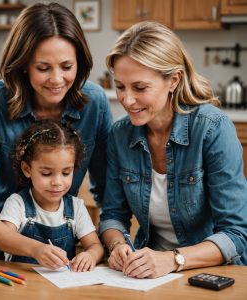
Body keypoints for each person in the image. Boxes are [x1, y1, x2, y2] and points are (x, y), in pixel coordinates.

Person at [0, 2, 113, 265]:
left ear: (79, 63)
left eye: (66, 66)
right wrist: (34, 248)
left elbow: (109, 195)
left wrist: (111, 246)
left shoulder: (94, 103)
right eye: (43, 68)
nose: (56, 79)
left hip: (58, 255)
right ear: (24, 64)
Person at [99, 21, 247, 279]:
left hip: (213, 273)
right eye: (120, 86)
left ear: (173, 80)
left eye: (140, 87)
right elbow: (113, 215)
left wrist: (173, 259)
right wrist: (117, 245)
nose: (127, 100)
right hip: (148, 275)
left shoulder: (212, 129)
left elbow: (236, 235)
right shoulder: (120, 134)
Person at [0, 119, 104, 271]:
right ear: (27, 169)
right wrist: (36, 249)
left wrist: (91, 255)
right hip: (21, 285)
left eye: (66, 173)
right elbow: (4, 238)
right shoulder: (17, 204)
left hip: (61, 288)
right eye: (47, 173)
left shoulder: (76, 208)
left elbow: (95, 246)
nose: (57, 182)